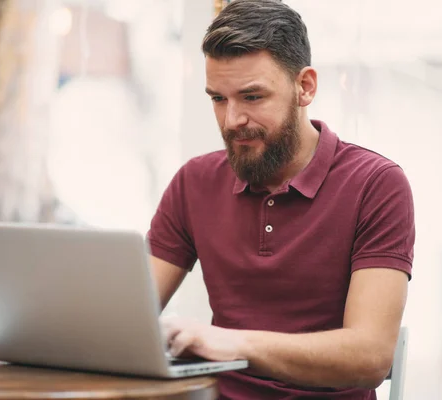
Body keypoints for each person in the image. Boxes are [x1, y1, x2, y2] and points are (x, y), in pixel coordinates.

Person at [146, 0, 415, 399]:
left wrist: (235, 344)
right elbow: (127, 318)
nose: (231, 120)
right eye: (218, 99)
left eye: (252, 97)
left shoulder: (376, 184)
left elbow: (370, 355)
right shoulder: (194, 182)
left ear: (304, 87)